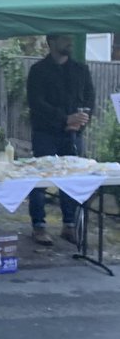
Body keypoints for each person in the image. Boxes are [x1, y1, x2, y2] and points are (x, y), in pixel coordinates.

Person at [26, 33, 96, 245]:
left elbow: (90, 98)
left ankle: (69, 225)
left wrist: (82, 120)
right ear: (51, 42)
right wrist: (64, 118)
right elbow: (36, 103)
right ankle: (39, 226)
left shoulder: (80, 70)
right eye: (65, 39)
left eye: (70, 39)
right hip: (46, 132)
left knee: (72, 178)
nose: (70, 43)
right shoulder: (38, 71)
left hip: (73, 133)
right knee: (40, 179)